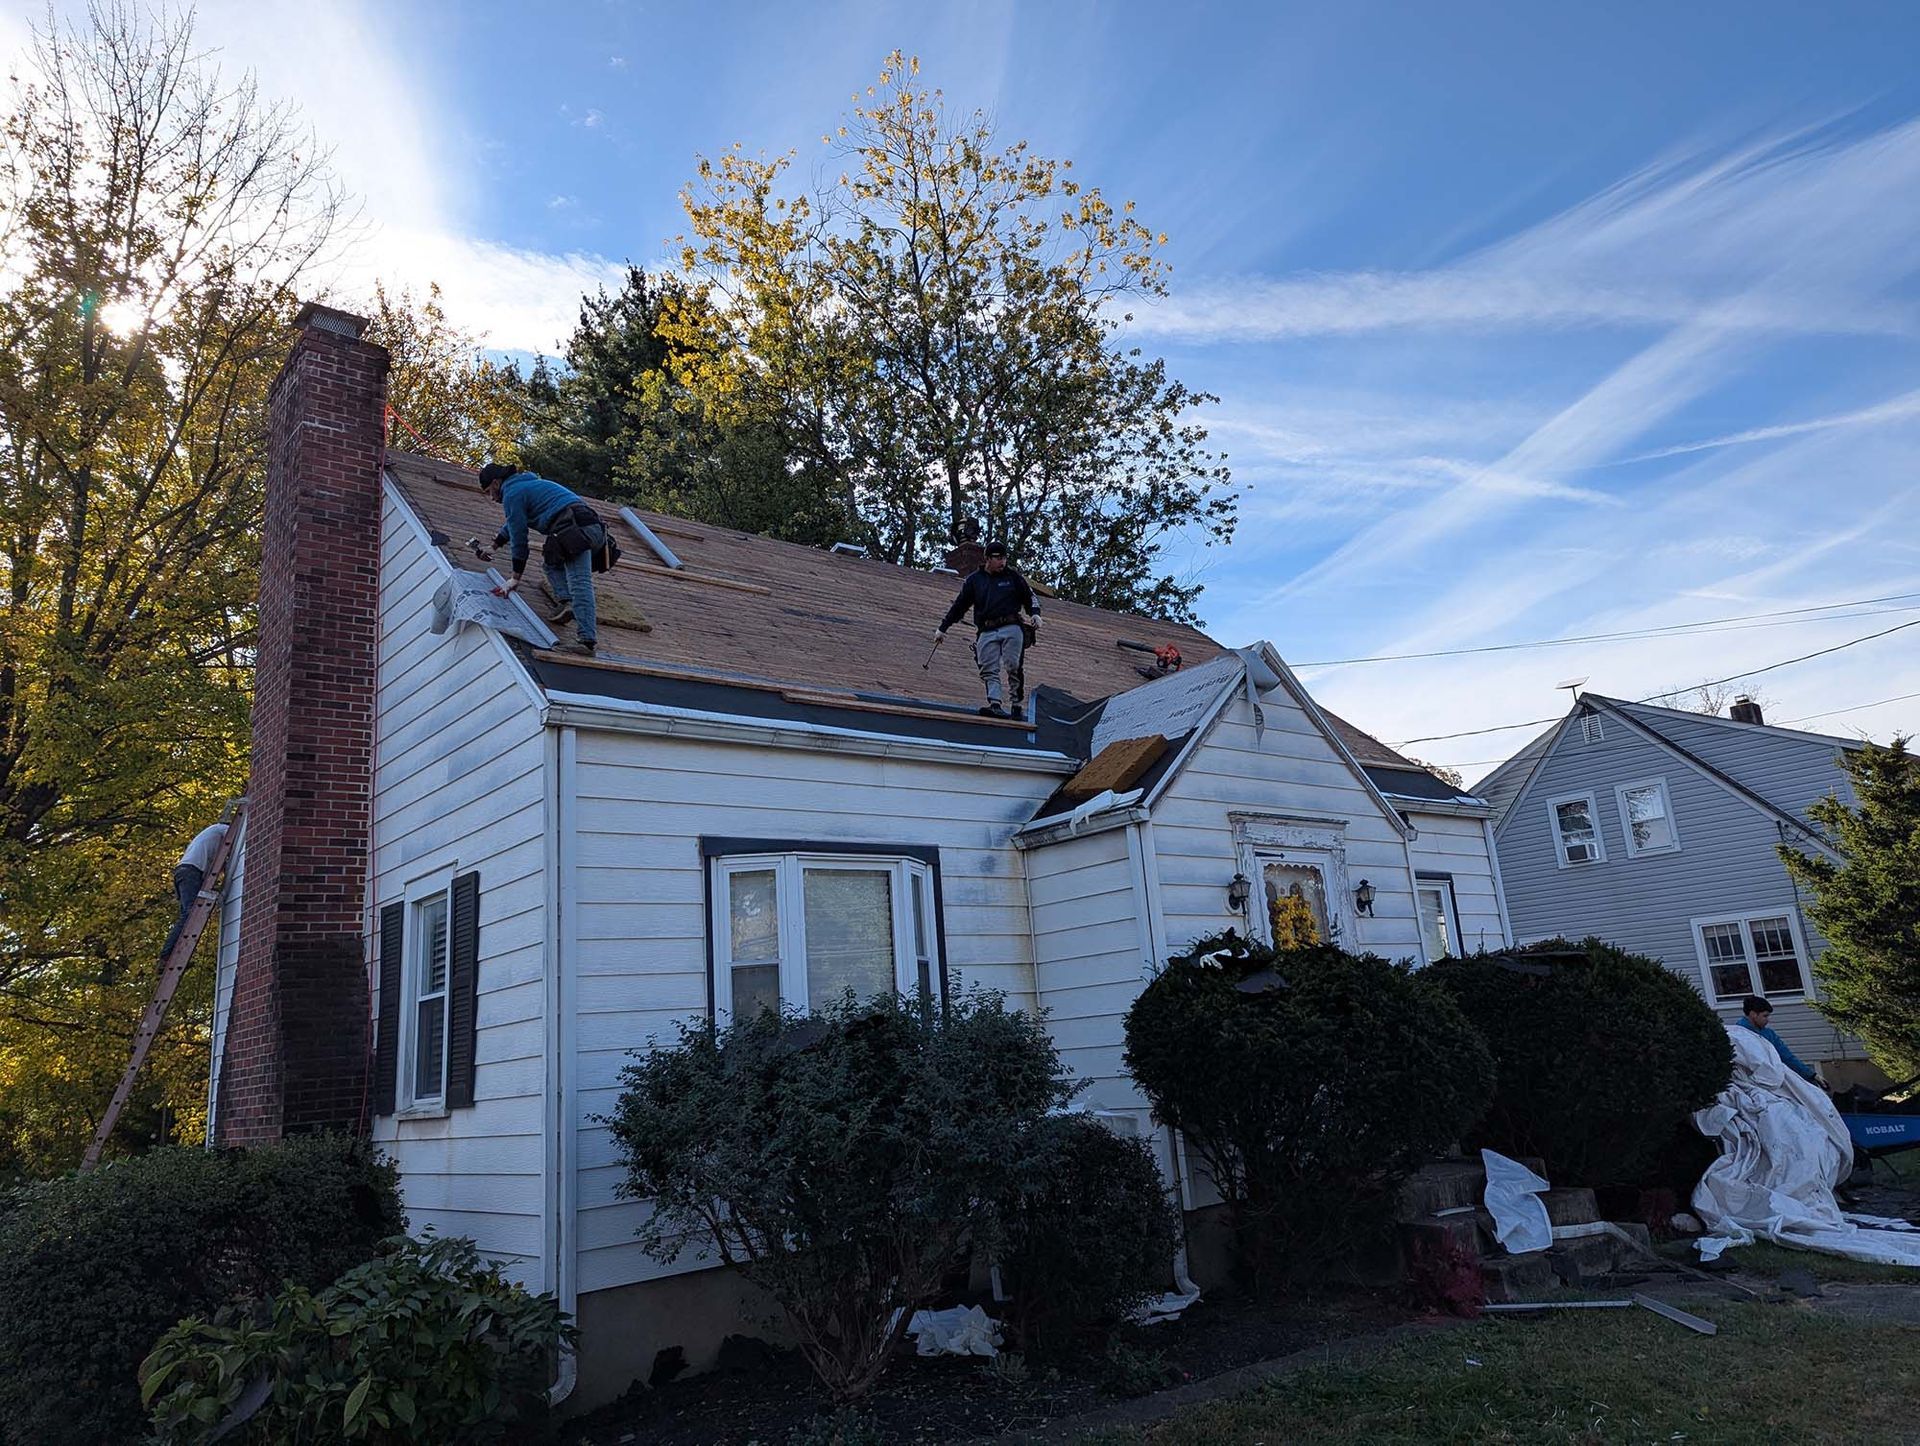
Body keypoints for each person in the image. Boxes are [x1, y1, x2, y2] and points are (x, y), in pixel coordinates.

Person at [477, 462, 608, 657]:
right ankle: (567, 602)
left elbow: (520, 539)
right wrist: (494, 545)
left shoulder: (512, 494)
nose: (491, 498)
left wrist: (515, 578)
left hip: (576, 529)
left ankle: (587, 642)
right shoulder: (525, 486)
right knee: (551, 563)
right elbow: (513, 524)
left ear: (496, 483)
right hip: (585, 526)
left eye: (489, 491)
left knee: (579, 582)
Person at [935, 539, 1040, 717]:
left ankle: (1016, 704)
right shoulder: (974, 581)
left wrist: (1035, 613)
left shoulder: (1012, 577)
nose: (1002, 562)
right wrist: (943, 628)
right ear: (987, 559)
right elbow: (959, 606)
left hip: (1011, 626)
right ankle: (995, 704)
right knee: (988, 667)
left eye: (1004, 558)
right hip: (986, 629)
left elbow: (1029, 597)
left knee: (1013, 664)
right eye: (998, 558)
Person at [160, 820, 228, 962]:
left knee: (186, 914)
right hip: (191, 872)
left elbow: (220, 866)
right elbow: (237, 837)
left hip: (183, 872)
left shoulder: (207, 839)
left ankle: (172, 955)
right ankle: (167, 953)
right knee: (190, 913)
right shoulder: (221, 828)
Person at [1737, 995, 1820, 1084]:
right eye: (1765, 1016)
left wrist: (1812, 1075)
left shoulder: (1769, 1034)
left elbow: (1787, 1057)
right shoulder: (1738, 1035)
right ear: (1753, 1014)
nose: (1767, 1020)